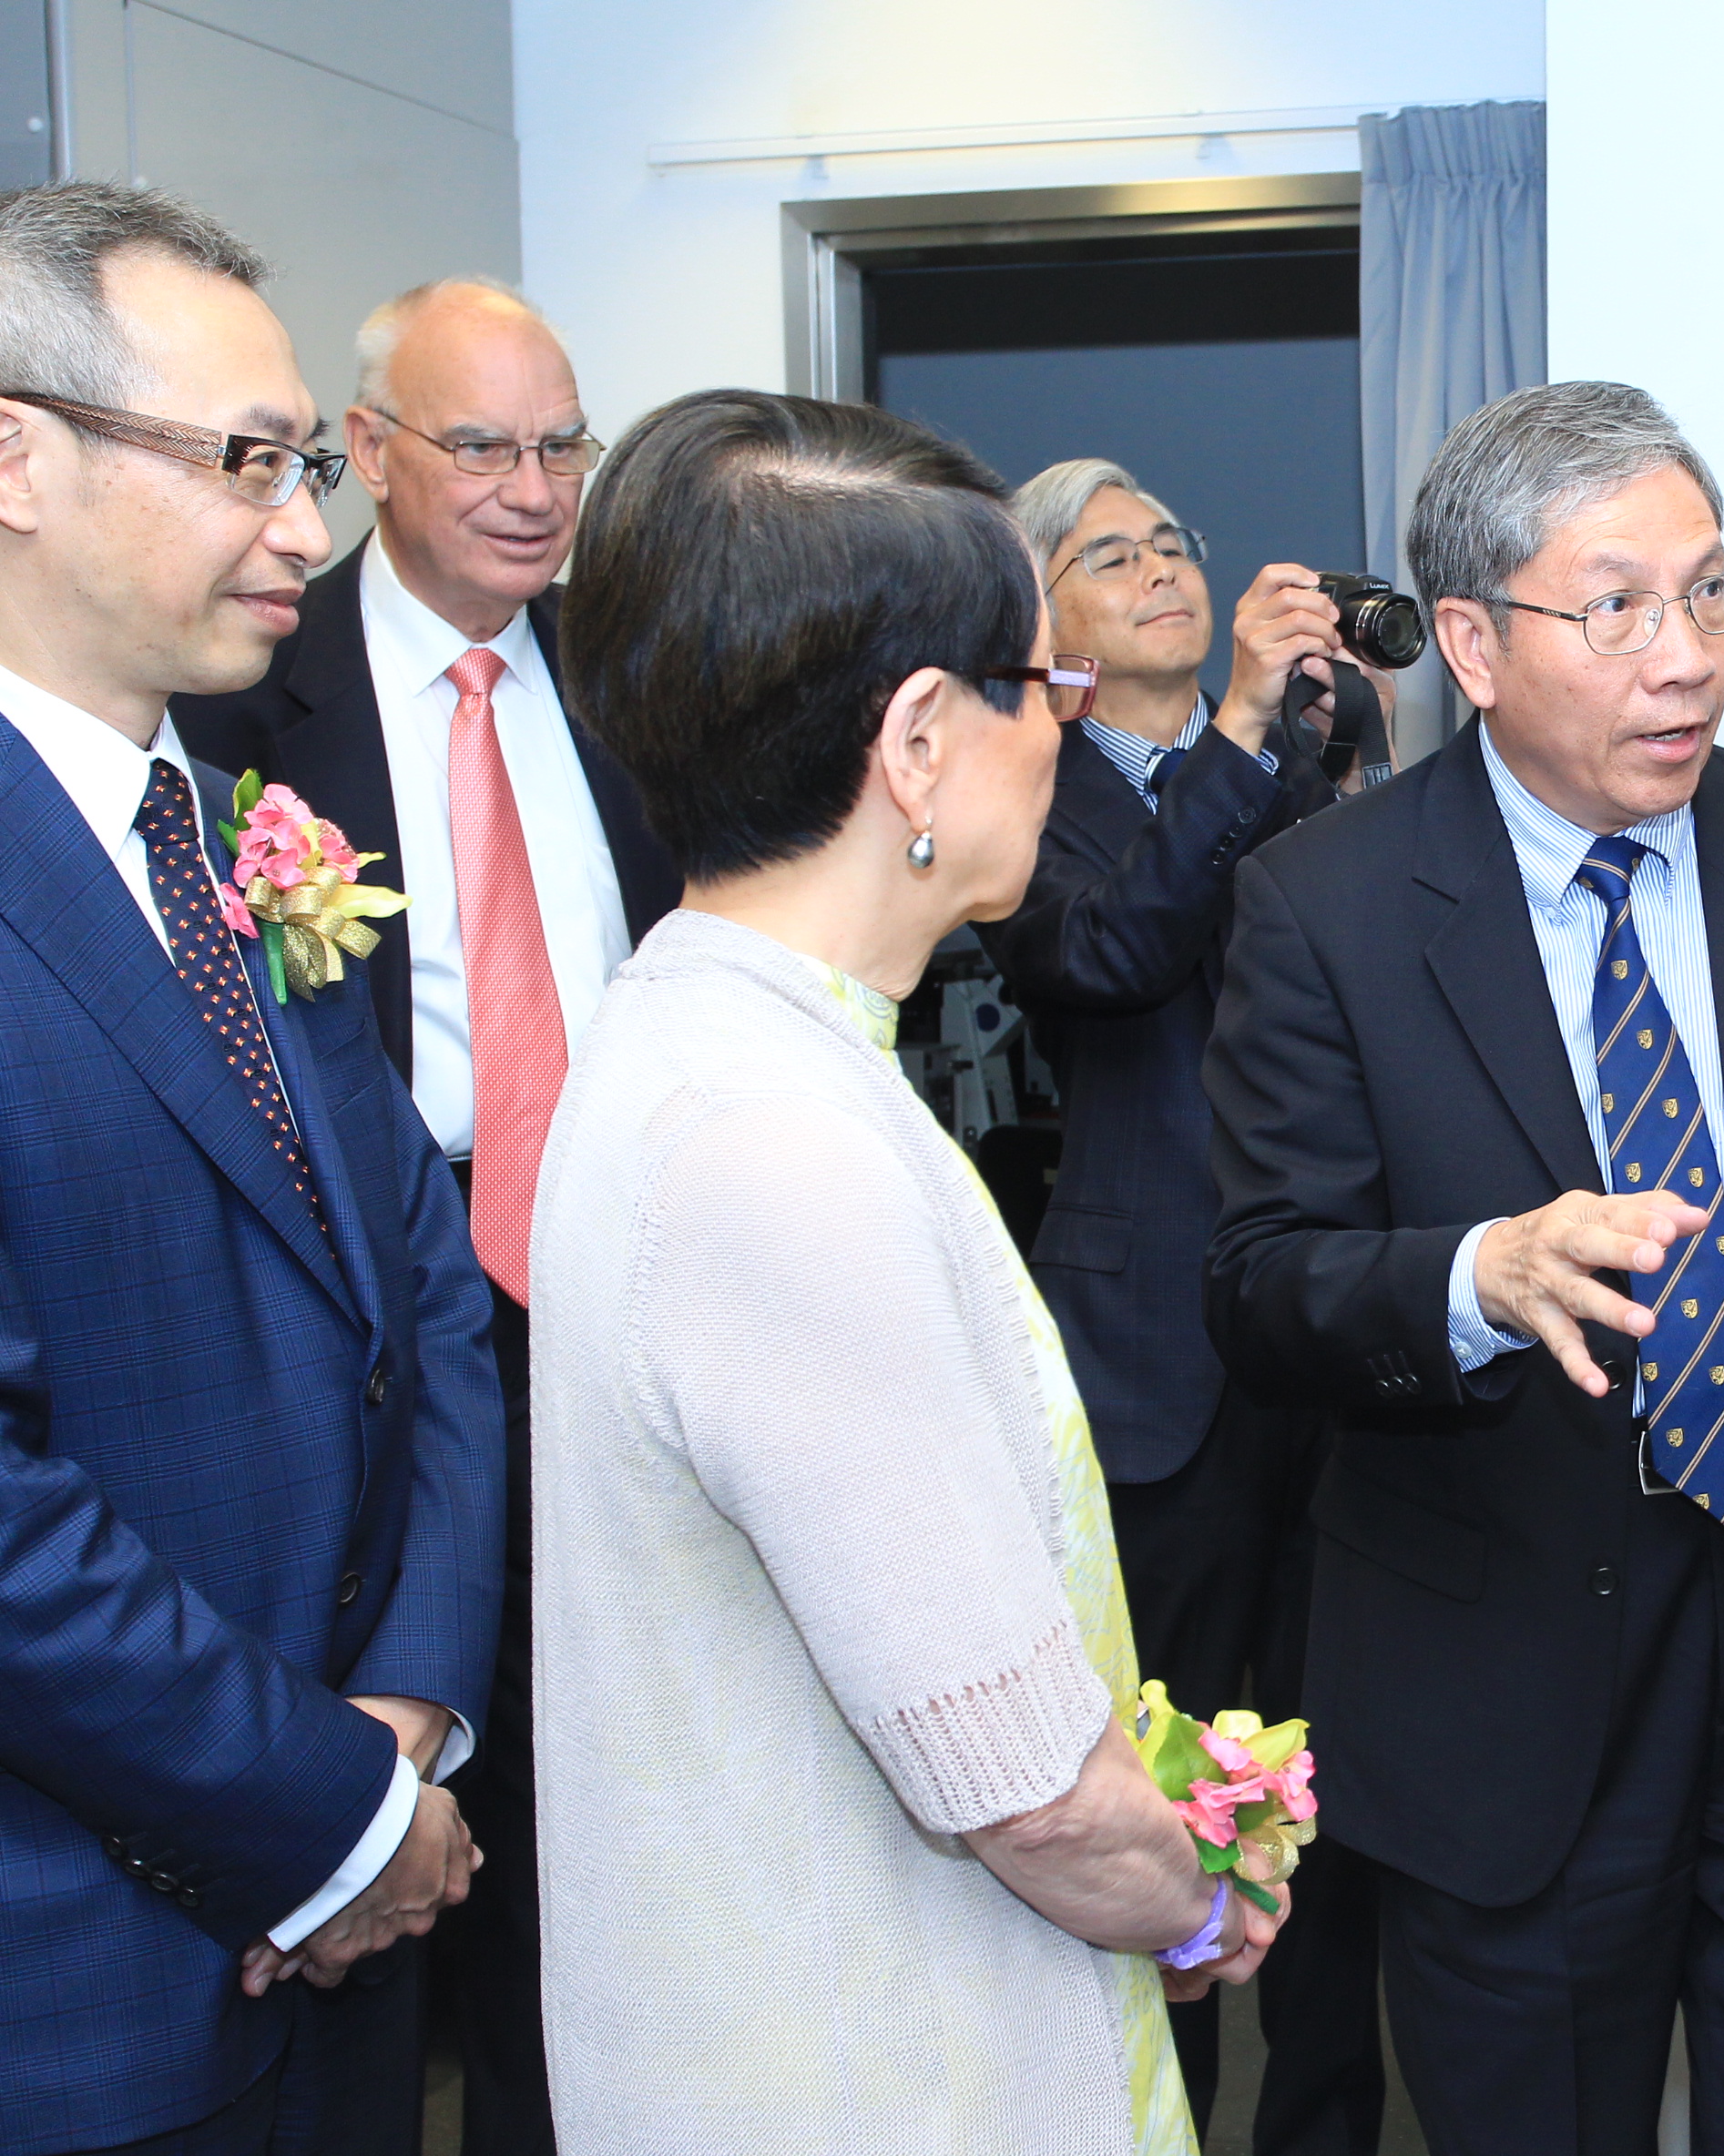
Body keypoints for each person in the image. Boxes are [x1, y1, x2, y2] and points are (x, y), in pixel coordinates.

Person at [1201, 381, 1724, 2156]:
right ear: (1471, 642)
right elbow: (1265, 1283)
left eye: (1714, 591)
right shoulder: (1325, 905)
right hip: (1503, 1661)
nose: (1689, 657)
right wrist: (1476, 1273)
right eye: (1620, 606)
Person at [534, 388, 1274, 2155]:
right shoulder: (774, 1146)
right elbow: (1029, 1785)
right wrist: (1195, 1891)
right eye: (1045, 686)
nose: (1061, 733)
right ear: (924, 741)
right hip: (870, 2068)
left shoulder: (714, 1040)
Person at [0, 182, 502, 2154]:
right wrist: (330, 1801)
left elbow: (427, 1294)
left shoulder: (234, 832)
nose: (308, 525)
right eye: (242, 463)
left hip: (348, 1936)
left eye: (304, 462)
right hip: (79, 1978)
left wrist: (411, 1711)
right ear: (14, 457)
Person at [170, 274, 678, 2156]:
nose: (536, 487)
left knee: (593, 1830)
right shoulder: (244, 709)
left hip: (613, 1289)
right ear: (367, 453)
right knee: (389, 1801)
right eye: (483, 444)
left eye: (563, 444)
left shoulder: (636, 676)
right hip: (370, 1310)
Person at [974, 460, 1386, 2153]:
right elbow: (1110, 956)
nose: (1158, 569)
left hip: (1335, 1343)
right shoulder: (1028, 792)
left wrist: (1322, 752)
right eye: (1106, 556)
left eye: (1172, 544)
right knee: (1168, 1788)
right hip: (1154, 1366)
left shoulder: (1289, 772)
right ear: (1042, 625)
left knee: (1337, 1789)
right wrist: (1232, 736)